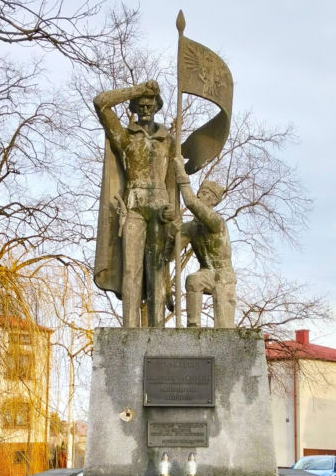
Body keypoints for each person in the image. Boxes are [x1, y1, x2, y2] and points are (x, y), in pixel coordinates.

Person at [93, 80, 176, 328]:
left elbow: (172, 177)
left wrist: (174, 210)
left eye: (150, 103)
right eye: (140, 104)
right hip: (133, 204)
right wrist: (138, 89)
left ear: (157, 106)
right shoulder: (124, 136)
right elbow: (101, 102)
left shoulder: (168, 140)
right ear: (134, 106)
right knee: (131, 270)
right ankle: (129, 330)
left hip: (160, 207)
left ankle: (158, 330)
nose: (145, 107)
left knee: (157, 272)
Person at [172, 156, 236, 328]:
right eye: (200, 191)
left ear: (214, 201)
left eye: (205, 194)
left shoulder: (216, 221)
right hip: (207, 272)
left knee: (225, 329)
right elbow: (171, 254)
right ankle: (193, 327)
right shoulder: (190, 227)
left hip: (224, 275)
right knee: (193, 280)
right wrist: (172, 233)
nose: (200, 195)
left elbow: (191, 202)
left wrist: (181, 174)